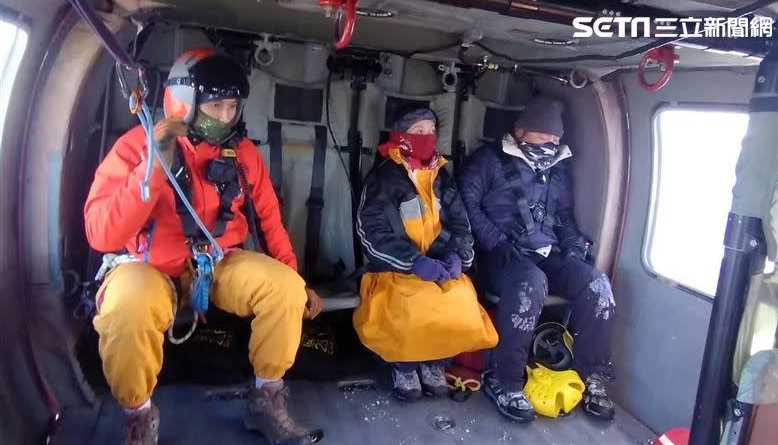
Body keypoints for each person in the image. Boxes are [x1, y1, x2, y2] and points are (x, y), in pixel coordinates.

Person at [84, 48, 323, 445]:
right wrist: (153, 172)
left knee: (284, 289)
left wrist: (296, 279)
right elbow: (100, 234)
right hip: (148, 268)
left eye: (233, 106)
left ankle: (266, 398)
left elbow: (269, 221)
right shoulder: (135, 147)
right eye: (215, 105)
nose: (226, 116)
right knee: (126, 305)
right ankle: (138, 417)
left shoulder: (242, 154)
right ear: (183, 103)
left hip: (217, 264)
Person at [458, 95, 616, 422]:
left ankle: (590, 377)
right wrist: (497, 242)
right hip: (500, 257)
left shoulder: (557, 172)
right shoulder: (488, 161)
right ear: (520, 131)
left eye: (555, 139)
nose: (549, 144)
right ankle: (505, 382)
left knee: (597, 285)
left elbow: (564, 217)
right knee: (531, 281)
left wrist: (574, 250)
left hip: (548, 255)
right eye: (543, 136)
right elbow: (465, 206)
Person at [353, 108, 498, 402]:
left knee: (460, 298)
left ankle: (435, 363)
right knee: (410, 300)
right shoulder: (384, 177)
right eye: (418, 131)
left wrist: (458, 257)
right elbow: (371, 232)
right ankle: (403, 366)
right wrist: (413, 262)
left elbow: (461, 225)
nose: (426, 137)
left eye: (430, 131)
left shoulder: (442, 177)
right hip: (392, 269)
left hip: (439, 265)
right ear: (401, 136)